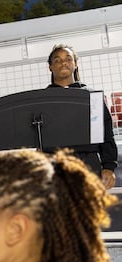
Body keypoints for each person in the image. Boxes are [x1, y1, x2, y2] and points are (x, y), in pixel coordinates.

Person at [46, 43, 118, 189]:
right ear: (50, 67)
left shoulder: (91, 96)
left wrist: (109, 167)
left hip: (89, 164)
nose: (63, 62)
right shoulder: (43, 99)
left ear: (76, 64)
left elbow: (106, 134)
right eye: (57, 60)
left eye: (68, 58)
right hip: (55, 166)